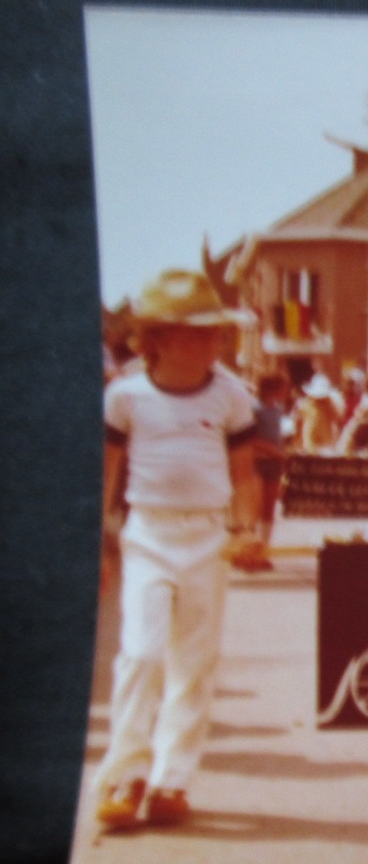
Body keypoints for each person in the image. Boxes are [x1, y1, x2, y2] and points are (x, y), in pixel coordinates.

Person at [94, 269, 265, 831]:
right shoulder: (125, 397)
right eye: (199, 332)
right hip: (148, 535)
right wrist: (101, 546)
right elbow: (106, 473)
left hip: (207, 540)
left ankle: (172, 780)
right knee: (141, 655)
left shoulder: (231, 395)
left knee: (193, 664)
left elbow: (245, 475)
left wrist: (246, 532)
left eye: (216, 331)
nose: (213, 341)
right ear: (160, 338)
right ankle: (125, 774)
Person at [251, 373, 291, 558]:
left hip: (274, 462)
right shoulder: (254, 409)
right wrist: (273, 451)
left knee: (269, 507)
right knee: (254, 507)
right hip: (257, 461)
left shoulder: (277, 409)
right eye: (283, 387)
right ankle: (249, 549)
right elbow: (251, 439)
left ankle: (264, 549)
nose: (286, 391)